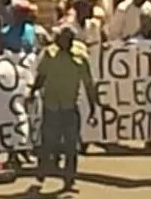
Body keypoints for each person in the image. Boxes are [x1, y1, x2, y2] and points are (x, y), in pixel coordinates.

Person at [32, 24, 97, 194]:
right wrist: (32, 91)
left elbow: (89, 83)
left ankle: (69, 178)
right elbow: (41, 76)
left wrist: (93, 106)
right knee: (48, 142)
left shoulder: (80, 55)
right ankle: (43, 168)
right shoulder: (49, 53)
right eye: (60, 38)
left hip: (69, 105)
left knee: (71, 145)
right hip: (51, 104)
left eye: (65, 39)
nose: (61, 41)